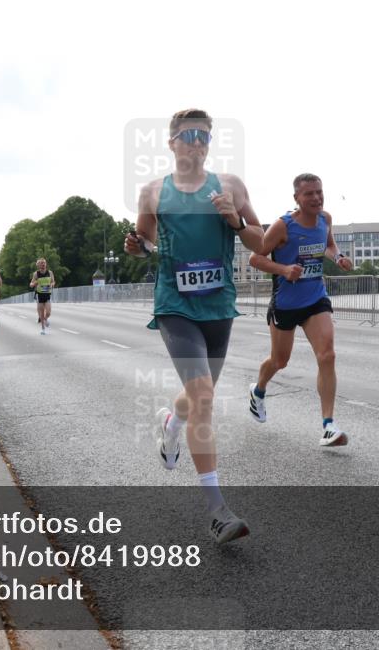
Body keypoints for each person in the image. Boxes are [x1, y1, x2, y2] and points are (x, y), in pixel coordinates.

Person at [125, 108, 264, 544]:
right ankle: (217, 510)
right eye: (188, 134)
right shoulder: (152, 191)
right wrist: (137, 246)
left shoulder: (230, 186)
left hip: (219, 305)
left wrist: (235, 221)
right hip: (175, 306)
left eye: (204, 135)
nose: (197, 141)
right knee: (204, 393)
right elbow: (144, 244)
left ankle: (171, 422)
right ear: (171, 143)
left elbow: (260, 240)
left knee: (198, 395)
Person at [247, 174, 353, 446]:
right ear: (297, 198)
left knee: (327, 354)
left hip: (315, 298)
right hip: (286, 303)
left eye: (319, 192)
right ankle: (258, 391)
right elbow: (255, 257)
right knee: (280, 361)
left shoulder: (324, 219)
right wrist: (283, 269)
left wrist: (338, 257)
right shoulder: (283, 226)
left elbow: (328, 244)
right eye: (309, 194)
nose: (317, 198)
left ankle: (328, 425)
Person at [29, 258, 55, 334]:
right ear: (38, 265)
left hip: (47, 294)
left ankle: (45, 319)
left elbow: (53, 281)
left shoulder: (50, 273)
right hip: (39, 294)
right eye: (41, 263)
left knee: (48, 312)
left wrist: (52, 284)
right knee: (41, 313)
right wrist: (34, 283)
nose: (43, 264)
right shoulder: (36, 274)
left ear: (46, 264)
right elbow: (31, 284)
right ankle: (43, 329)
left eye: (44, 263)